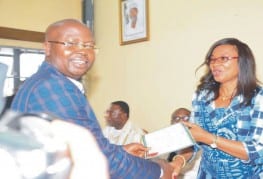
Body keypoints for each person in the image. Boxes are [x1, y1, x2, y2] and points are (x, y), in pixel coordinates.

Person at [11, 19, 173, 179]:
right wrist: (160, 171)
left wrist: (121, 150)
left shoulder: (41, 81)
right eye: (71, 43)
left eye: (89, 45)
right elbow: (96, 159)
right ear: (47, 48)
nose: (82, 51)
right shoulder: (54, 87)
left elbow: (87, 147)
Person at [172, 38, 263, 178]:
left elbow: (261, 151)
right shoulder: (202, 97)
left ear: (242, 62)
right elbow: (194, 140)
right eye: (212, 60)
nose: (215, 64)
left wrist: (209, 138)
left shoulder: (262, 97)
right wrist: (179, 161)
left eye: (223, 58)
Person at [168, 108, 201, 179]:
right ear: (171, 123)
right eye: (176, 118)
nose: (181, 121)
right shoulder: (163, 145)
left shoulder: (202, 146)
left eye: (186, 118)